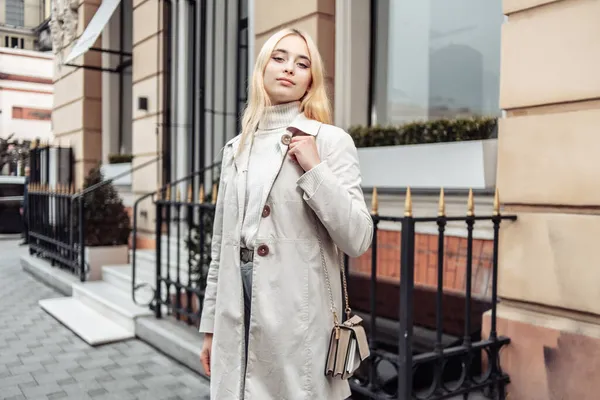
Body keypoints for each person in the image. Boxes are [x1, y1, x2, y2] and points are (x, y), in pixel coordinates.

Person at [199, 28, 374, 400]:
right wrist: (210, 327)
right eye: (279, 58)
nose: (289, 68)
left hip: (297, 313)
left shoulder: (329, 140)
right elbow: (220, 247)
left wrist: (315, 169)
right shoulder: (235, 148)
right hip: (237, 306)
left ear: (311, 79)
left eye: (302, 62)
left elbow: (358, 238)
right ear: (262, 67)